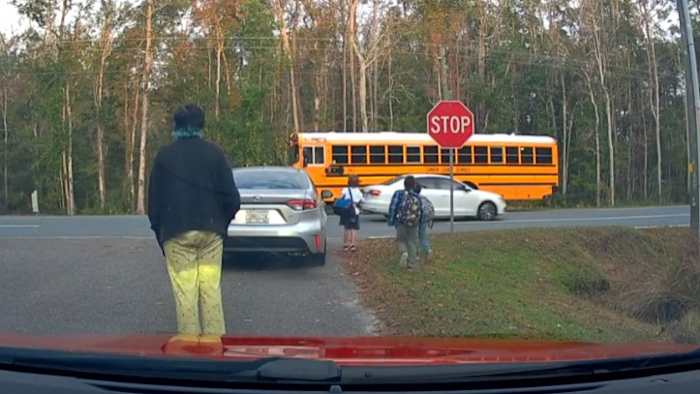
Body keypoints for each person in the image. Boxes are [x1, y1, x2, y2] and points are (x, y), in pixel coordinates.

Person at [148, 104, 240, 336]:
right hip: (211, 233)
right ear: (201, 126)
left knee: (185, 293)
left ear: (175, 126)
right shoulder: (215, 154)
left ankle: (189, 349)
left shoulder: (164, 157)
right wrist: (221, 225)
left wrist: (160, 233)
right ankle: (215, 346)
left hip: (176, 233)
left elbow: (154, 203)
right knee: (211, 290)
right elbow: (232, 199)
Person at [387, 176, 422, 270]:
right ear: (414, 185)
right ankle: (412, 265)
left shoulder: (398, 193)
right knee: (412, 242)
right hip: (413, 223)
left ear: (404, 184)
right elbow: (420, 211)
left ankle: (404, 253)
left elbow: (393, 207)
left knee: (401, 240)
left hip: (401, 221)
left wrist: (391, 220)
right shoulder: (417, 196)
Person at [339, 175, 363, 252]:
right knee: (354, 228)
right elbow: (361, 199)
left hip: (346, 210)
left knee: (346, 228)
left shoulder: (345, 189)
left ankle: (345, 245)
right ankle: (353, 245)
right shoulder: (358, 191)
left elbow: (341, 197)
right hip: (354, 211)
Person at [414, 184, 434, 259]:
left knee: (414, 236)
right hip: (425, 217)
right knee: (422, 235)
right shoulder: (424, 198)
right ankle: (428, 250)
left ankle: (416, 254)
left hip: (415, 218)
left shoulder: (412, 198)